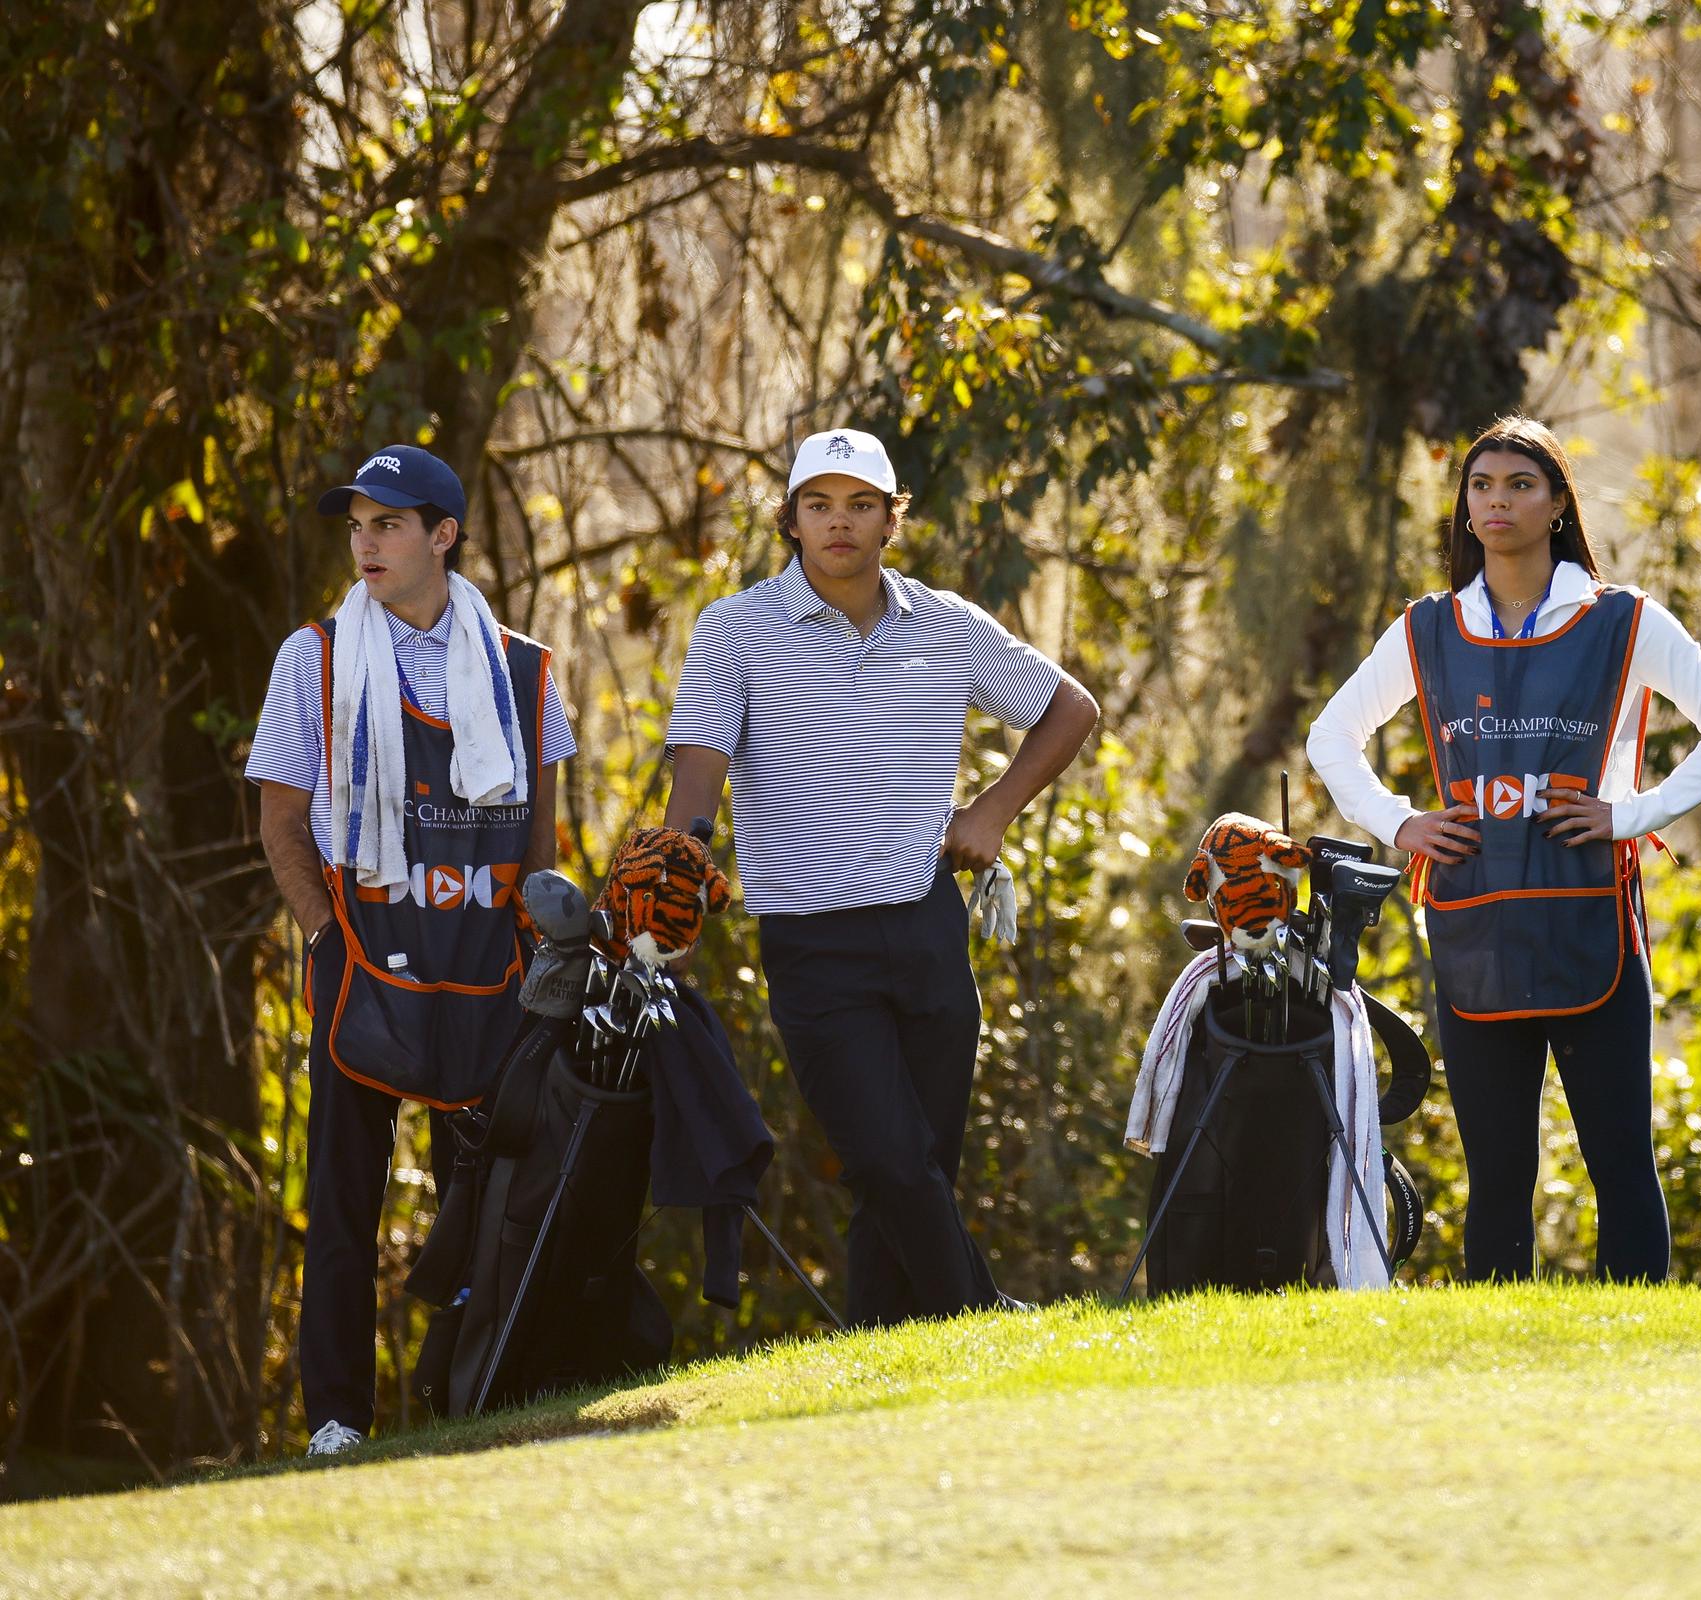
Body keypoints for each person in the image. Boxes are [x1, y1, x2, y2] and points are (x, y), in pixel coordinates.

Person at [1308, 415, 1701, 1282]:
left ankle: (1633, 1347)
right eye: (1481, 485)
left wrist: (1632, 813)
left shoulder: (1621, 619)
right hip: (1475, 924)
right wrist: (1400, 823)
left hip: (1592, 920)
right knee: (1498, 1177)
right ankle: (1497, 1362)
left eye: (1520, 485)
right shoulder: (1427, 626)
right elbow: (1331, 737)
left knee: (1621, 1162)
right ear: (1464, 506)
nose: (1497, 501)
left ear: (1557, 504)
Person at [662, 426, 1098, 1327]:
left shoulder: (943, 624)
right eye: (818, 505)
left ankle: (883, 1352)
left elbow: (1068, 708)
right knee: (890, 1161)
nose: (839, 524)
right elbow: (699, 762)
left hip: (925, 924)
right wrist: (681, 856)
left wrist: (991, 812)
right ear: (790, 520)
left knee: (912, 1171)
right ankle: (982, 1322)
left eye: (861, 504)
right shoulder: (736, 629)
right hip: (814, 941)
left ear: (891, 519)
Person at [248, 445, 574, 1455]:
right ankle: (338, 1419)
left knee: (483, 1205)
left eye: (388, 523)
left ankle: (468, 1401)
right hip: (364, 961)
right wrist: (322, 934)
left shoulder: (524, 668)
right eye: (356, 524)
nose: (365, 542)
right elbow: (280, 821)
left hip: (486, 964)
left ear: (444, 533)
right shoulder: (318, 655)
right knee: (345, 1203)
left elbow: (539, 836)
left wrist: (536, 945)